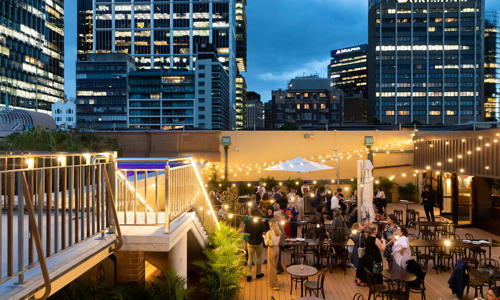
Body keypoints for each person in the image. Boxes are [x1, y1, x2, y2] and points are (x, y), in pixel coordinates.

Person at [244, 209, 266, 282]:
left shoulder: (248, 222)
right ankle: (258, 273)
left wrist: (245, 243)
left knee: (250, 258)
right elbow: (263, 232)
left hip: (250, 242)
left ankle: (249, 275)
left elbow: (245, 233)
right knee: (259, 258)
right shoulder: (261, 222)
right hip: (258, 243)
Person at [264, 220, 282, 290]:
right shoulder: (279, 232)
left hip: (271, 249)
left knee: (271, 267)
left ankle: (275, 284)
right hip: (277, 248)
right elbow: (278, 241)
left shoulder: (269, 233)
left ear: (271, 225)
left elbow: (266, 243)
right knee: (275, 266)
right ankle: (272, 281)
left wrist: (264, 237)